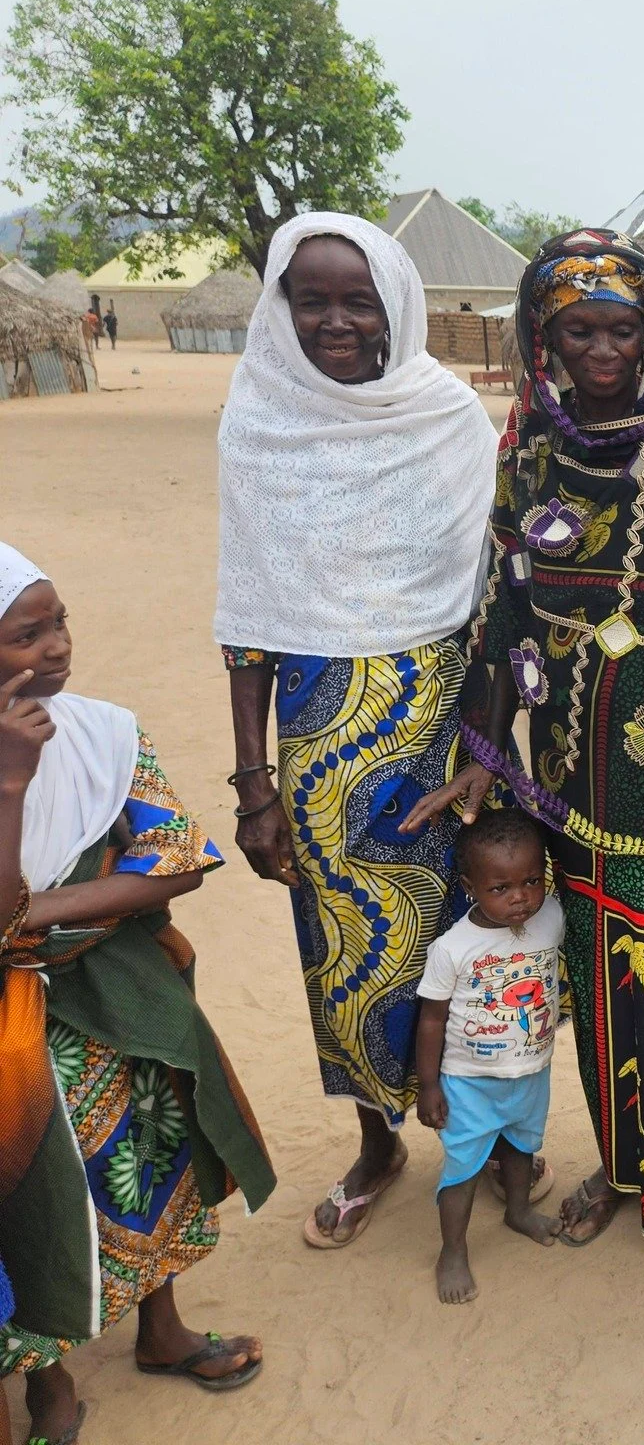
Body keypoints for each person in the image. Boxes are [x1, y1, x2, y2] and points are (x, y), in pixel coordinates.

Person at [406, 228, 644, 1253]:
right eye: (580, 330)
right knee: (600, 964)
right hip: (567, 749)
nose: (603, 348)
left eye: (621, 328)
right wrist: (482, 752)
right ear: (546, 335)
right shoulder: (529, 438)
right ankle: (621, 1168)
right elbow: (501, 595)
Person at [214, 212, 499, 1250]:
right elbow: (247, 627)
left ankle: (490, 1140)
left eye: (358, 300)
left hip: (448, 743)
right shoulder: (257, 424)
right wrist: (255, 790)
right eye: (312, 299)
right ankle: (380, 1142)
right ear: (282, 308)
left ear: (396, 306)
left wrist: (484, 745)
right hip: (325, 756)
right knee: (346, 955)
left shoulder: (448, 417)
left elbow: (491, 596)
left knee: (473, 947)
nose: (336, 322)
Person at [0, 543, 275, 1445]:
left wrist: (46, 908)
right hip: (19, 1035)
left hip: (121, 997)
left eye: (58, 622)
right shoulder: (25, 756)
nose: (53, 648)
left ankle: (160, 1330)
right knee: (31, 1198)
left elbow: (176, 858)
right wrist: (10, 781)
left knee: (154, 1154)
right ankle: (50, 1388)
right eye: (24, 634)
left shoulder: (101, 731)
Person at [416, 809, 563, 1304]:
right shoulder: (453, 948)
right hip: (468, 1082)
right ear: (470, 886)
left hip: (530, 1072)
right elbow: (432, 1019)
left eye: (531, 881)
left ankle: (518, 1210)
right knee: (461, 1170)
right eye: (501, 888)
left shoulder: (553, 918)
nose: (520, 896)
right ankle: (452, 1251)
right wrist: (430, 1085)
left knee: (522, 1148)